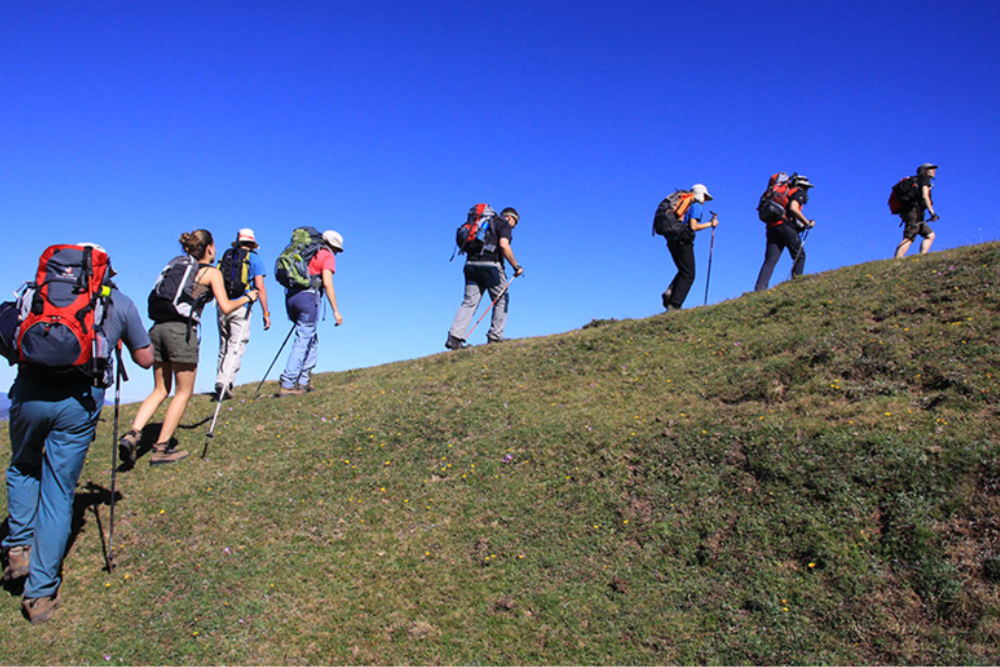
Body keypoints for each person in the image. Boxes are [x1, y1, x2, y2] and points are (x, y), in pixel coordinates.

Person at [2, 243, 153, 624]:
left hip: (29, 394)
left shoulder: (38, 293)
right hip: (79, 403)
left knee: (22, 466)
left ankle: (18, 547)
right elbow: (145, 358)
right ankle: (39, 596)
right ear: (104, 272)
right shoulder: (118, 303)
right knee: (57, 493)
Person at [119, 230, 258, 465]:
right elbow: (226, 307)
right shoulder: (211, 273)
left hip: (157, 328)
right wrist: (248, 297)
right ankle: (161, 448)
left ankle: (133, 433)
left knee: (160, 389)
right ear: (209, 248)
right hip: (181, 332)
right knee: (183, 392)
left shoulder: (176, 266)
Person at [446, 207, 523, 349]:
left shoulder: (483, 224)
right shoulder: (503, 224)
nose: (513, 227)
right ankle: (495, 337)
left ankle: (454, 338)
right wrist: (516, 266)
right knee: (501, 299)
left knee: (469, 302)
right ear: (511, 218)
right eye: (515, 224)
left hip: (470, 265)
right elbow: (503, 245)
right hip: (491, 266)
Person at [278, 230, 344, 397]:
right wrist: (336, 310)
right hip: (308, 298)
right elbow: (327, 284)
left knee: (310, 339)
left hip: (291, 297)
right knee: (303, 339)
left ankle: (304, 380)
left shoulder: (305, 253)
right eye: (336, 249)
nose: (336, 252)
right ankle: (288, 382)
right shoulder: (326, 256)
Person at [215, 228, 271, 400]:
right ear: (252, 244)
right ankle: (225, 381)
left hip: (222, 303)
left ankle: (221, 378)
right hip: (242, 304)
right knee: (237, 343)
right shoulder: (254, 259)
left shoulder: (226, 257)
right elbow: (259, 286)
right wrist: (266, 312)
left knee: (224, 344)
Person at [753, 174, 816, 292]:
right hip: (785, 226)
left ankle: (760, 289)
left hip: (772, 227)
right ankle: (796, 285)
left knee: (771, 259)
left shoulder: (779, 192)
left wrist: (799, 225)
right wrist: (807, 223)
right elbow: (793, 208)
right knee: (800, 255)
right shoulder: (798, 191)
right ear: (801, 185)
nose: (806, 190)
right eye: (806, 187)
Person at [661, 185, 718, 311]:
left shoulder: (683, 204)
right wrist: (711, 224)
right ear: (700, 195)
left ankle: (670, 292)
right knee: (689, 274)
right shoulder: (695, 205)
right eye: (705, 197)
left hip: (671, 240)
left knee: (683, 270)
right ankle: (674, 304)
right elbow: (693, 226)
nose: (705, 200)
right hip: (683, 240)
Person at [894, 163, 939, 259]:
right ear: (924, 171)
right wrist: (932, 212)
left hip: (912, 212)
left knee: (930, 235)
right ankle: (896, 260)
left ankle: (922, 257)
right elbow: (925, 196)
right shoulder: (924, 180)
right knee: (909, 237)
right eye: (930, 169)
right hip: (914, 212)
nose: (934, 171)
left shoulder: (917, 180)